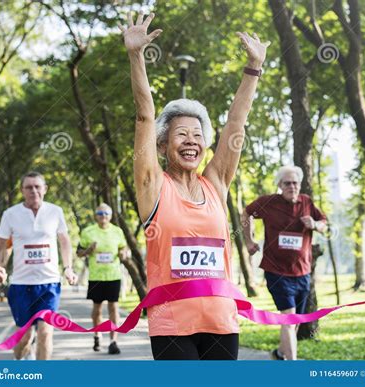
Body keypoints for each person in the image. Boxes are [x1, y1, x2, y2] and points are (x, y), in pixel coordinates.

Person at [118, 11, 269, 360]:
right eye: (181, 134)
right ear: (162, 145)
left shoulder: (215, 183)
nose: (191, 141)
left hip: (221, 321)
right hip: (172, 324)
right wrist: (136, 55)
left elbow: (236, 124)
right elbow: (144, 114)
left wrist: (253, 68)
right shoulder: (153, 186)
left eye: (198, 135)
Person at [241, 165, 327, 360]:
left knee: (293, 321)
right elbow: (246, 213)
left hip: (302, 272)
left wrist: (314, 225)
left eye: (295, 183)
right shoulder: (269, 202)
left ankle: (281, 353)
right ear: (279, 185)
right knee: (289, 318)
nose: (292, 187)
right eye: (287, 183)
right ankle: (292, 365)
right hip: (276, 271)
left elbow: (323, 223)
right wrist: (248, 240)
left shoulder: (306, 202)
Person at [0, 171, 78, 360]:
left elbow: (64, 242)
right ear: (22, 190)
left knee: (46, 332)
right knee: (24, 337)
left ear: (45, 189)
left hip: (49, 284)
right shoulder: (11, 214)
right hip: (21, 284)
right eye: (29, 187)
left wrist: (68, 267)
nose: (33, 191)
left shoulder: (55, 211)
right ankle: (22, 361)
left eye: (37, 186)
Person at [76, 203, 127, 355]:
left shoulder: (117, 231)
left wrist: (124, 253)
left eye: (106, 213)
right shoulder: (88, 232)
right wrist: (88, 250)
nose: (103, 216)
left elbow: (123, 248)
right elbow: (78, 253)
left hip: (113, 275)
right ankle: (97, 335)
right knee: (97, 309)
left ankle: (113, 341)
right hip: (96, 276)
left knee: (113, 307)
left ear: (110, 215)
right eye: (100, 213)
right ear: (95, 215)